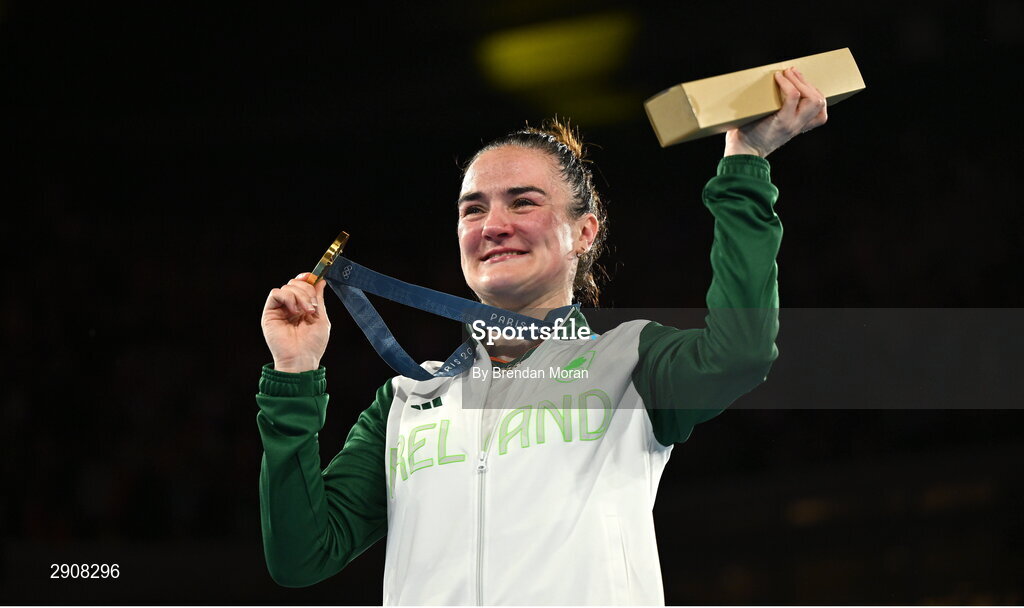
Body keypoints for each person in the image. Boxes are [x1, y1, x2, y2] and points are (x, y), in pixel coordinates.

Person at [257, 67, 828, 605]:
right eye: (472, 209)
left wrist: (745, 163)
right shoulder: (410, 400)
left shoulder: (629, 363)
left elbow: (742, 352)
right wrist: (294, 375)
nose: (493, 225)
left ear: (584, 231)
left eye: (523, 202)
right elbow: (302, 555)